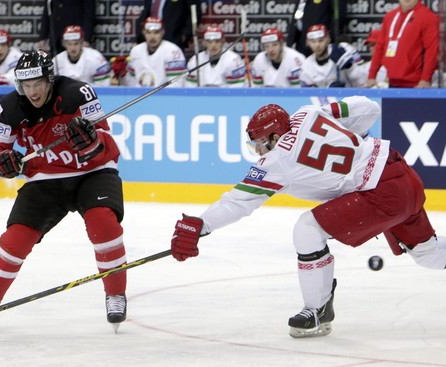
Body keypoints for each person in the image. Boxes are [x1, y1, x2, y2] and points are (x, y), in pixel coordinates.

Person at [169, 95, 445, 338]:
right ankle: (318, 306)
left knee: (308, 229)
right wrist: (350, 138)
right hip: (401, 172)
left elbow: (238, 201)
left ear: (275, 136)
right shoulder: (308, 112)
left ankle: (317, 308)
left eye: (261, 143)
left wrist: (201, 225)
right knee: (428, 254)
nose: (258, 152)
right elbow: (370, 108)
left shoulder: (277, 161)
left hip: (382, 194)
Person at [0, 50, 128, 332]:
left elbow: (104, 137)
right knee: (15, 239)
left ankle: (115, 293)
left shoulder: (79, 93)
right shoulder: (8, 107)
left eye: (37, 84)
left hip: (93, 172)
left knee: (103, 222)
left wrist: (88, 141)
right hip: (44, 179)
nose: (32, 92)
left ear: (50, 79)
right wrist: (1, 162)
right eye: (25, 86)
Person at [365, 0, 439, 88]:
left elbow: (431, 50)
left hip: (416, 84)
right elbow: (380, 47)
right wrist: (371, 76)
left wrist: (425, 79)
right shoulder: (390, 16)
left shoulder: (428, 17)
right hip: (391, 81)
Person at [121, 17, 186, 87]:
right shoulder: (136, 51)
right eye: (148, 32)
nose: (152, 36)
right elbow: (131, 84)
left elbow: (177, 84)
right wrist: (121, 75)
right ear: (144, 32)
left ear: (162, 32)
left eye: (156, 32)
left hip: (165, 96)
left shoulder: (173, 51)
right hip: (140, 96)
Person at [299, 24, 368, 87]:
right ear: (307, 43)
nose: (317, 45)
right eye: (313, 42)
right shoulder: (307, 65)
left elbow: (364, 81)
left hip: (352, 96)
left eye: (321, 40)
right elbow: (307, 95)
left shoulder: (345, 49)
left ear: (328, 39)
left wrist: (350, 67)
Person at [135, 0, 201, 52]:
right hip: (150, 41)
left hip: (173, 38)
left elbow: (195, 12)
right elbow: (147, 11)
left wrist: (184, 35)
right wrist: (140, 32)